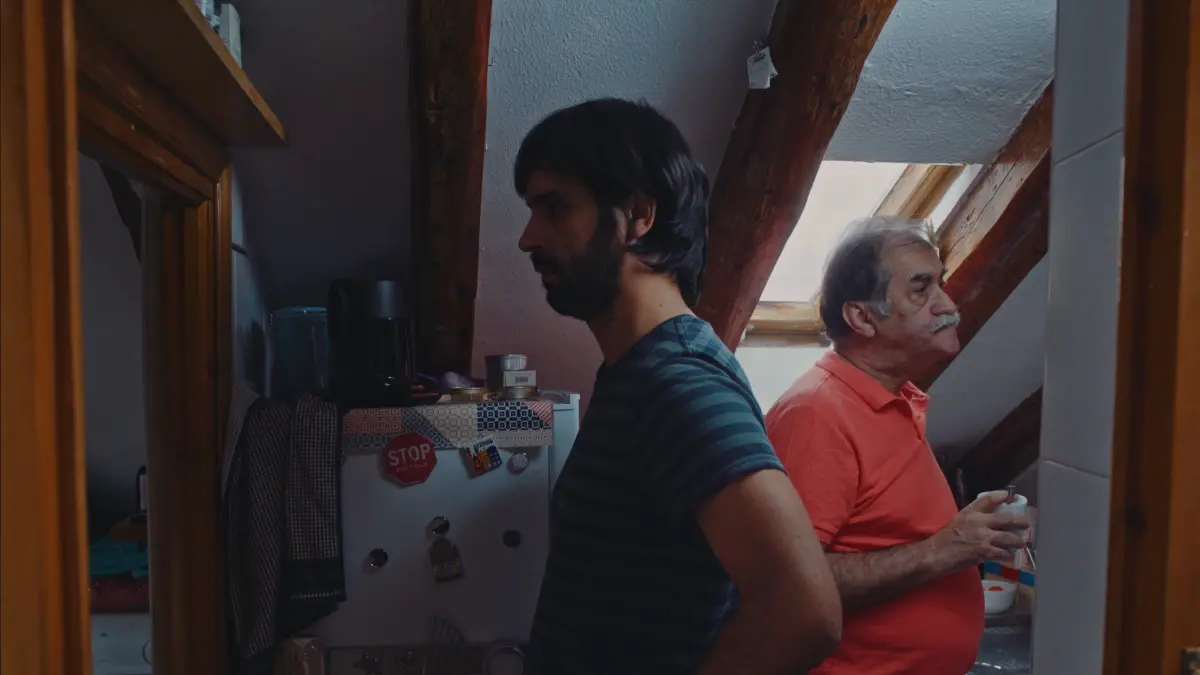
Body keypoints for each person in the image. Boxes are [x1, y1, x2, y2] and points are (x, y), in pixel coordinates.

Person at [514, 98, 842, 675]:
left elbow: (804, 612)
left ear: (639, 214)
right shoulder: (637, 372)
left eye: (555, 207)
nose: (528, 238)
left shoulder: (677, 382)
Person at [764, 216, 1031, 675]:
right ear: (862, 317)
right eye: (921, 289)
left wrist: (966, 540)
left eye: (940, 283)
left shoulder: (896, 397)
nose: (948, 305)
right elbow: (788, 583)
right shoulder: (816, 413)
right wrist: (942, 549)